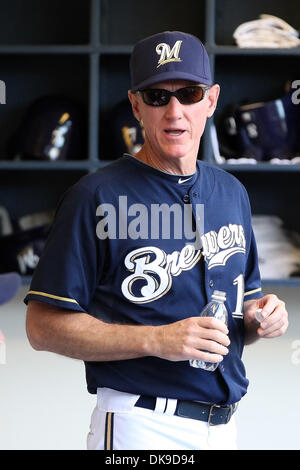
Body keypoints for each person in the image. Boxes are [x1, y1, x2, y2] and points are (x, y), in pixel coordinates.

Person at [24, 31, 288, 450]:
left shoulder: (232, 191)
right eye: (157, 97)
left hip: (223, 428)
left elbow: (243, 311)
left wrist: (261, 317)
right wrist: (157, 339)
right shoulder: (96, 196)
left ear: (212, 100)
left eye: (189, 93)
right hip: (142, 425)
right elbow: (41, 328)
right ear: (136, 106)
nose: (175, 112)